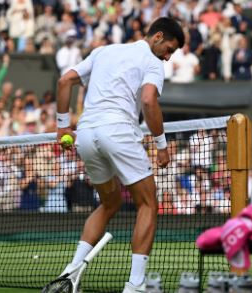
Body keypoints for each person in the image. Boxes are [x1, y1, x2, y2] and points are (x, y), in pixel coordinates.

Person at [55, 17, 184, 292]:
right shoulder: (152, 62)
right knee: (148, 204)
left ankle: (70, 273)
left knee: (110, 202)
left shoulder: (105, 51)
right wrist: (161, 145)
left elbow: (65, 80)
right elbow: (149, 101)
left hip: (87, 136)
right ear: (158, 36)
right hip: (118, 132)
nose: (168, 56)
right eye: (169, 49)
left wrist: (62, 126)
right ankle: (136, 285)